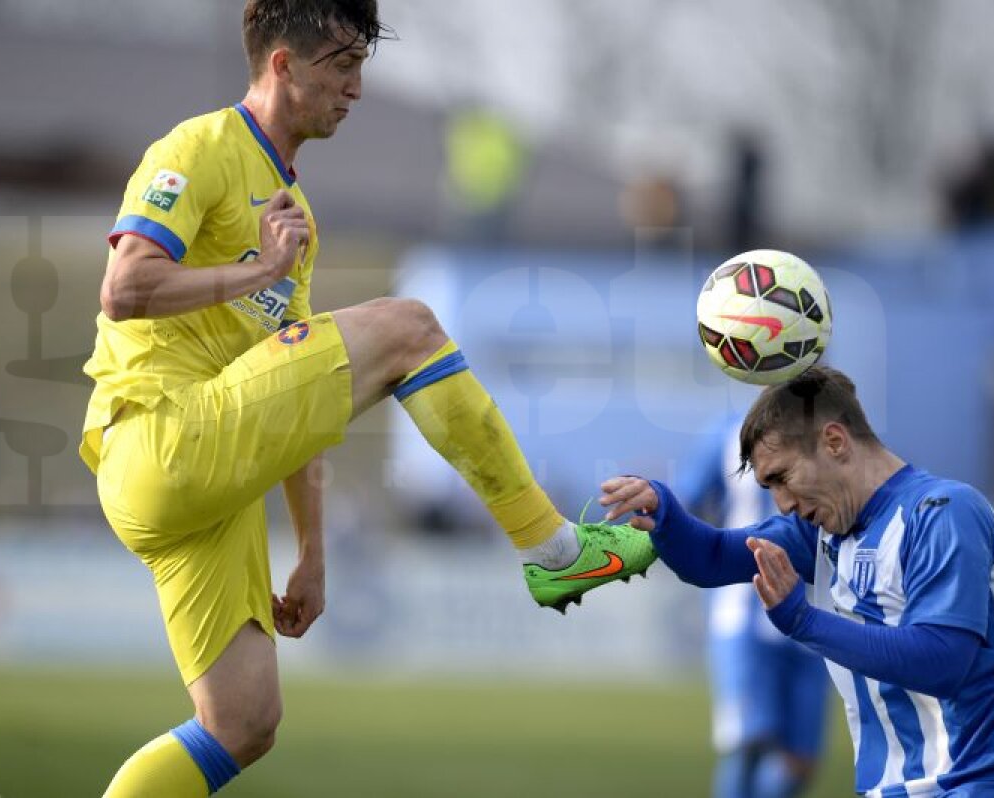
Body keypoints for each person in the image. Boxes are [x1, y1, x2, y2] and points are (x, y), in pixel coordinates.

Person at [79, 2, 656, 795]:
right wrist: (259, 272)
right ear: (283, 65)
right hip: (161, 435)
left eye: (361, 68)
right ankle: (551, 550)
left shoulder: (294, 214)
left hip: (207, 473)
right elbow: (124, 288)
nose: (357, 88)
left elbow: (293, 401)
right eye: (342, 66)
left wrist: (312, 552)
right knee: (411, 326)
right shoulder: (200, 147)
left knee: (243, 725)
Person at [602, 366, 994, 796]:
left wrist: (803, 620)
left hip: (982, 781)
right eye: (767, 487)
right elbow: (713, 556)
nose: (783, 504)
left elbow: (941, 661)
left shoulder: (943, 513)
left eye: (782, 477)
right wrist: (663, 511)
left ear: (834, 441)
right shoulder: (823, 533)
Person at [676, 414, 829, 798]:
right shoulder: (728, 434)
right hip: (743, 613)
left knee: (799, 763)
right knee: (749, 743)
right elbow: (686, 504)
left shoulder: (834, 436)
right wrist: (715, 551)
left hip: (815, 618)